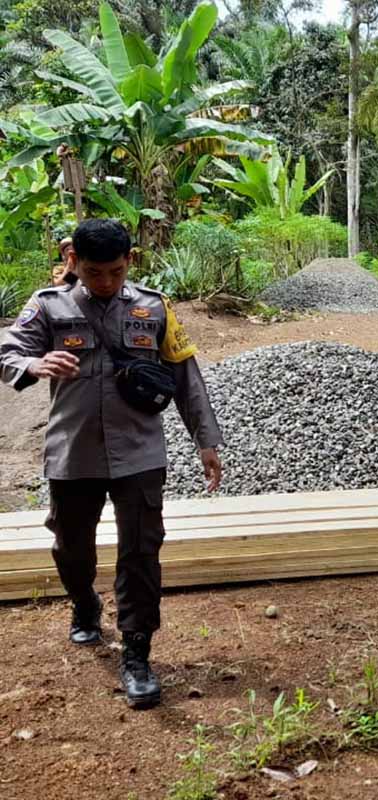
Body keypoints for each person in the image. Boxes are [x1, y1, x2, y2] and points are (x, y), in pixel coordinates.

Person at [0, 218, 224, 709]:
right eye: (95, 272)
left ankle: (137, 654)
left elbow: (187, 377)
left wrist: (206, 441)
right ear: (73, 261)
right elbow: (8, 347)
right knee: (71, 546)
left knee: (141, 552)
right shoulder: (48, 305)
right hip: (73, 450)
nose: (105, 283)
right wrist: (32, 365)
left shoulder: (154, 307)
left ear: (130, 263)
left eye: (116, 272)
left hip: (139, 452)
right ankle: (84, 602)